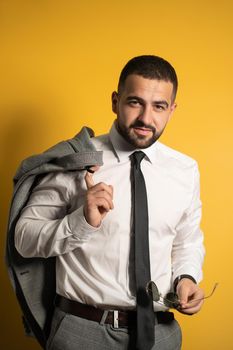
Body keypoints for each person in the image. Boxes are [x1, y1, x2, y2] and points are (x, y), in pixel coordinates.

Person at [15, 55, 205, 350]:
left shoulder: (185, 170)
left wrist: (187, 278)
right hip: (83, 333)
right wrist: (81, 220)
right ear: (115, 101)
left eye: (159, 106)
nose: (146, 118)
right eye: (134, 102)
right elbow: (24, 239)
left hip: (161, 334)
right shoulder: (76, 160)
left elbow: (187, 241)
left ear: (172, 110)